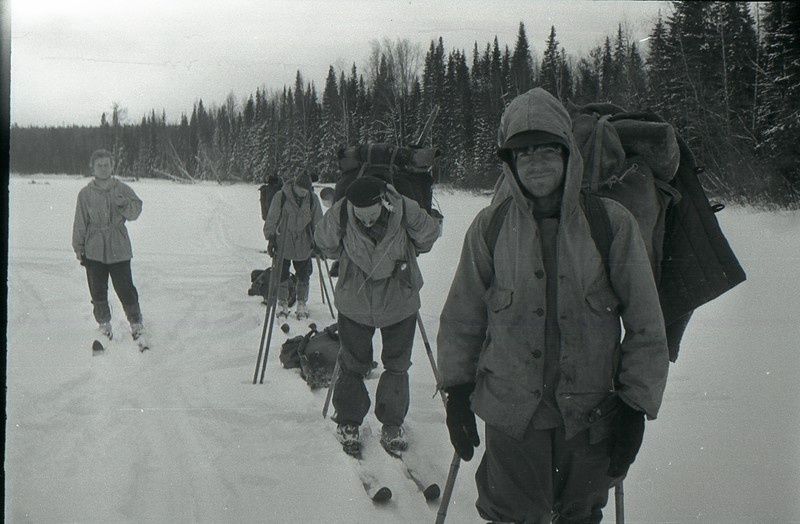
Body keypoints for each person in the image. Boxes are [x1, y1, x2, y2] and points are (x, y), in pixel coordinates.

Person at [436, 88, 669, 524]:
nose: (538, 162)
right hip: (511, 417)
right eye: (525, 153)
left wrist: (636, 407)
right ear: (510, 164)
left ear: (568, 155)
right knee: (511, 516)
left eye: (548, 150)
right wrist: (458, 392)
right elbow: (462, 318)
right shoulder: (490, 227)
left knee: (579, 517)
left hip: (589, 417)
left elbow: (645, 325)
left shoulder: (612, 223)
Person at [314, 176, 441, 455]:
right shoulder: (343, 211)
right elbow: (325, 241)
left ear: (384, 202)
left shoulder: (405, 209)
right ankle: (349, 421)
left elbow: (429, 235)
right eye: (362, 217)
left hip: (398, 300)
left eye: (372, 216)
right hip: (356, 302)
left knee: (397, 364)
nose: (368, 222)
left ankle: (392, 424)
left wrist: (425, 227)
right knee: (352, 362)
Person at [72, 148, 146, 343]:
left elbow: (136, 211)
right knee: (97, 289)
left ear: (112, 166)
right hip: (94, 248)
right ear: (93, 168)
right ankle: (104, 325)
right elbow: (80, 222)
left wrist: (124, 205)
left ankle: (136, 324)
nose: (104, 169)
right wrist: (79, 247)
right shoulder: (85, 194)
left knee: (125, 288)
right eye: (99, 165)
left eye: (107, 165)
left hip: (119, 246)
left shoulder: (122, 189)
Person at [264, 172, 323, 320]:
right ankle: (282, 303)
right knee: (282, 274)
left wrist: (319, 242)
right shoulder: (281, 196)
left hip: (304, 241)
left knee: (304, 275)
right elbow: (272, 218)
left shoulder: (312, 199)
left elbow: (318, 221)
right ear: (295, 186)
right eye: (301, 190)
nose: (303, 193)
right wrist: (271, 238)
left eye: (306, 191)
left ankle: (302, 303)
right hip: (284, 240)